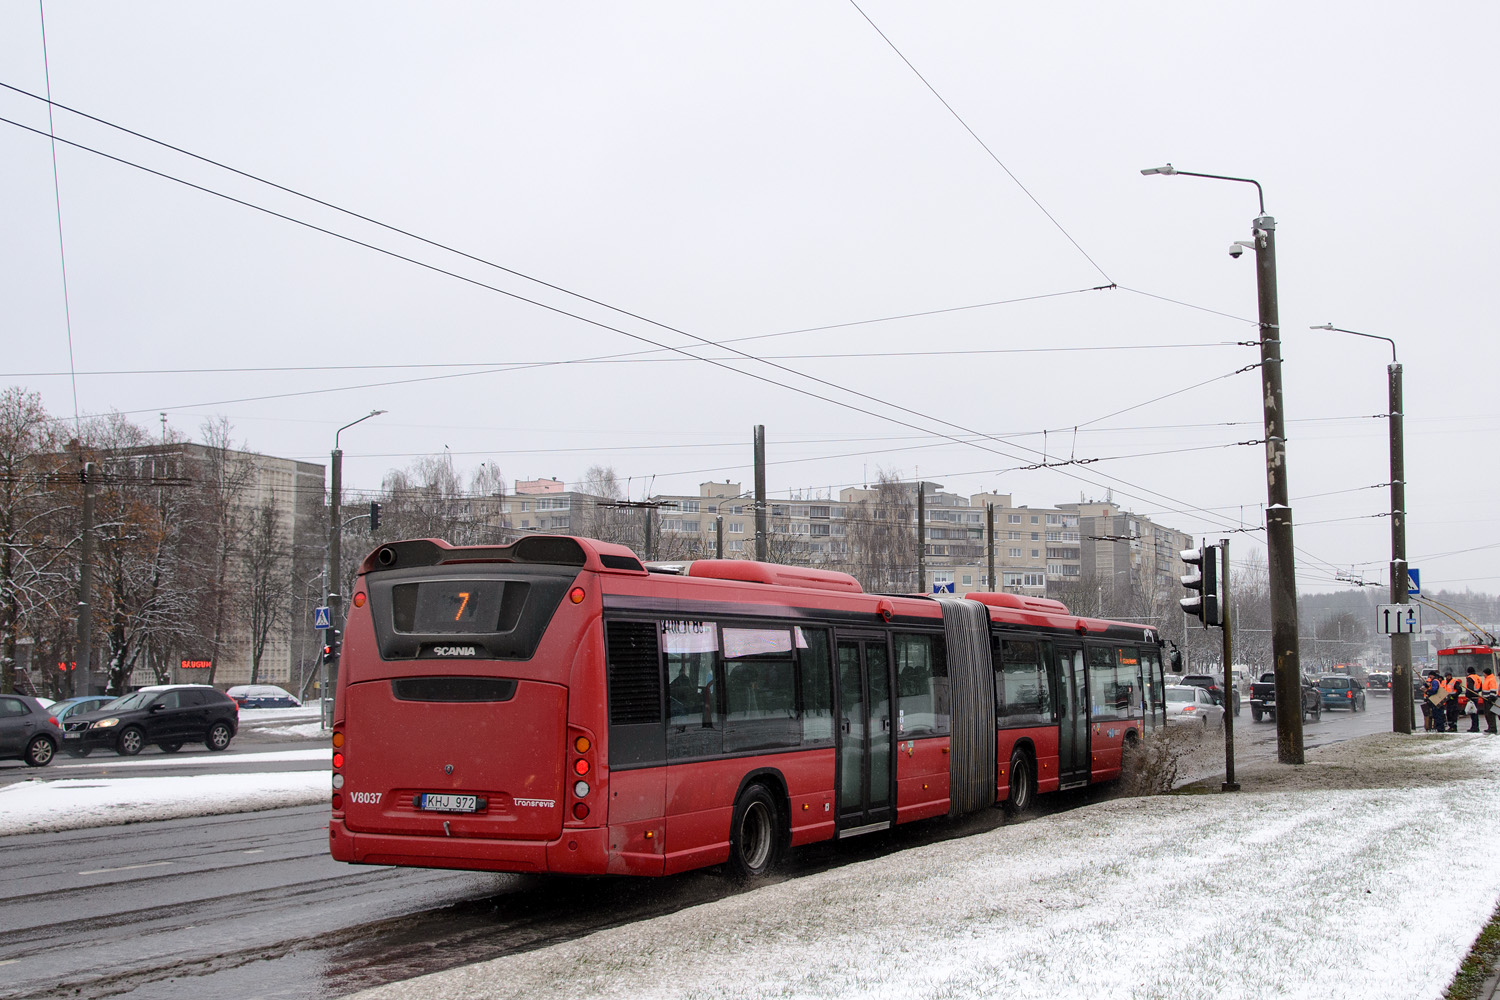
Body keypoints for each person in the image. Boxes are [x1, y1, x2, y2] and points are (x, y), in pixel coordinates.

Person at [1483, 668, 1499, 735]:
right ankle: (1490, 727)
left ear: (1486, 673)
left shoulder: (1491, 679)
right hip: (1485, 698)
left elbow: (1493, 689)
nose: (1483, 674)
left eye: (1484, 673)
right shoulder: (1487, 679)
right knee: (1487, 714)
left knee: (1490, 714)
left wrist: (1491, 697)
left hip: (1489, 699)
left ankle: (1493, 728)